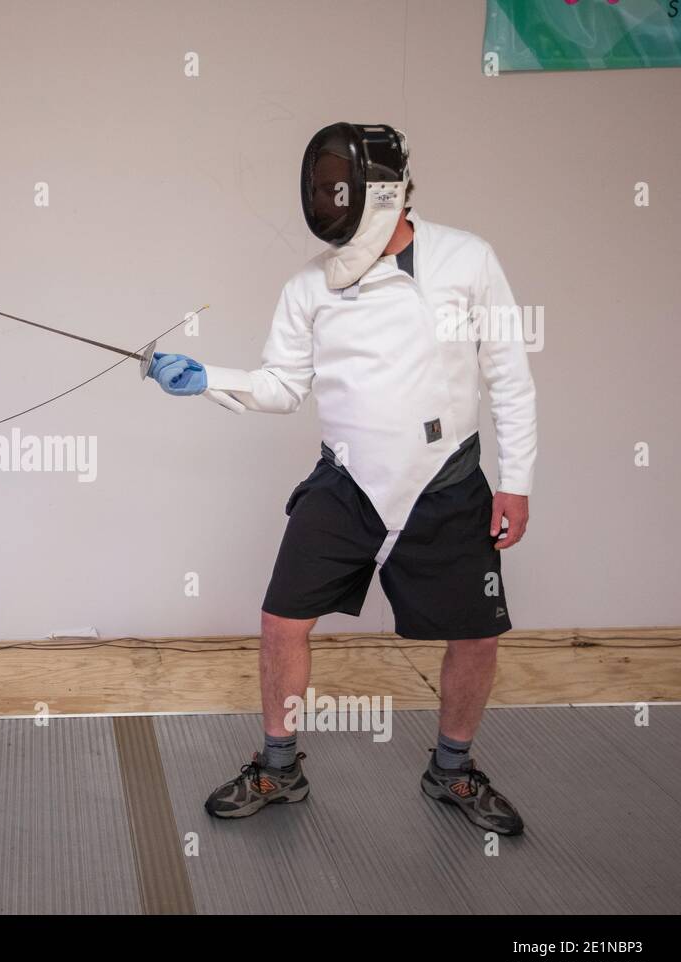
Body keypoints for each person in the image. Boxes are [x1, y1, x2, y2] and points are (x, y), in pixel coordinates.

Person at [149, 123, 536, 835]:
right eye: (325, 190)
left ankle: (452, 769)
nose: (331, 202)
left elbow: (509, 373)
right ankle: (279, 765)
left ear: (381, 194)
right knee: (280, 621)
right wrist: (208, 379)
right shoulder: (308, 289)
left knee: (478, 638)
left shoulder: (467, 259)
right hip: (347, 482)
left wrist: (517, 479)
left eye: (341, 188)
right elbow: (280, 386)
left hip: (447, 483)